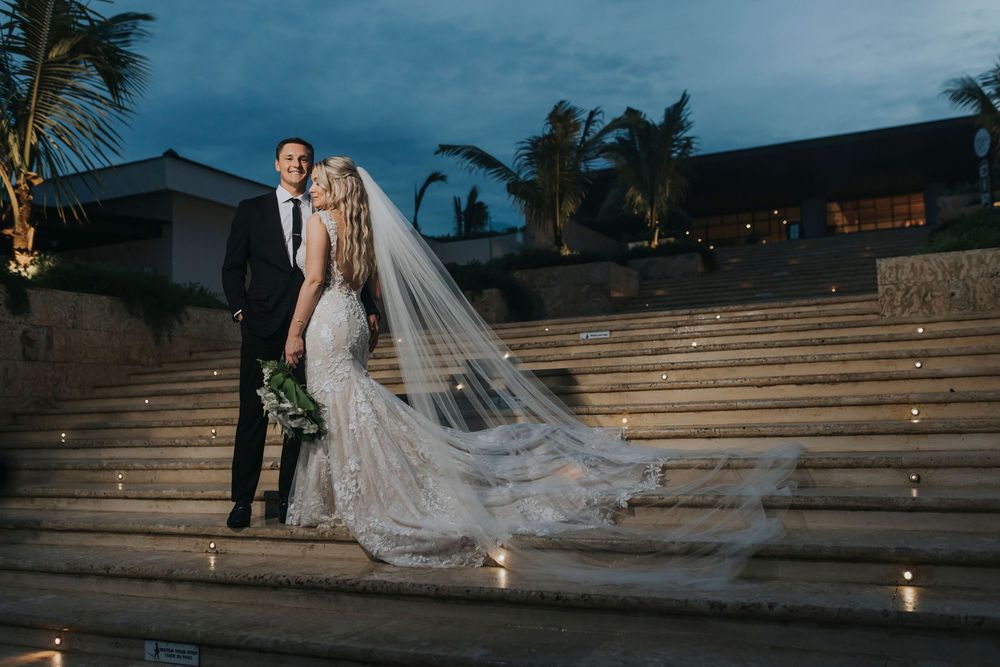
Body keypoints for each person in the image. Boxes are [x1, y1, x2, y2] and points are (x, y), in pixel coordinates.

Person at [282, 156, 799, 585]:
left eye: (320, 182)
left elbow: (310, 283)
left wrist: (293, 332)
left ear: (333, 186)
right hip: (351, 320)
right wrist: (369, 324)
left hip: (326, 319)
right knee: (350, 402)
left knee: (337, 404)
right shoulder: (361, 227)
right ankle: (334, 495)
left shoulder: (318, 222)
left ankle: (333, 500)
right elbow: (370, 291)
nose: (314, 188)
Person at [221, 140, 379, 529]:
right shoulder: (251, 210)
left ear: (311, 167)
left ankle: (293, 499)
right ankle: (242, 501)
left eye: (304, 159)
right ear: (277, 163)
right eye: (290, 158)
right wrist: (241, 310)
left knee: (304, 418)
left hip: (314, 328)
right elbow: (231, 267)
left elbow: (354, 264)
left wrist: (371, 309)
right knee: (252, 415)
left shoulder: (324, 207)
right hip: (263, 326)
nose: (297, 164)